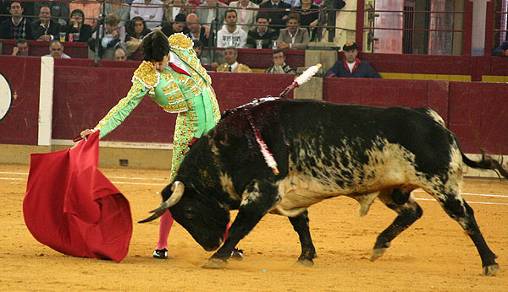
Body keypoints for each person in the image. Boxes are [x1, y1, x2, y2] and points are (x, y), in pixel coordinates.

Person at [79, 31, 222, 259]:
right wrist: (98, 131)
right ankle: (162, 244)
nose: (156, 66)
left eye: (159, 61)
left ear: (168, 53)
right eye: (152, 62)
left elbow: (205, 85)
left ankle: (229, 243)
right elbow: (125, 106)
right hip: (189, 131)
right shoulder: (147, 74)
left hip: (215, 124)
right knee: (176, 187)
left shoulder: (182, 47)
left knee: (222, 185)